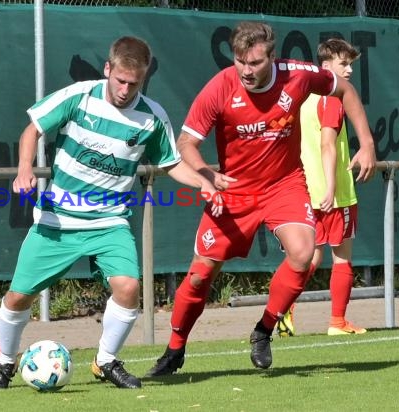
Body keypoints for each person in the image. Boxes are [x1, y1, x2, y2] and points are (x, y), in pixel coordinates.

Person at [0, 36, 221, 390]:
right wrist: (23, 168)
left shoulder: (152, 117)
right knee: (19, 296)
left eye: (134, 83)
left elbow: (170, 164)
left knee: (128, 287)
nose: (125, 90)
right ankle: (4, 363)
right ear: (107, 69)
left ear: (143, 79)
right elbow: (32, 130)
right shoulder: (79, 96)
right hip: (58, 219)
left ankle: (106, 360)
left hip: (110, 222)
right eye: (120, 80)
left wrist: (203, 182)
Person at [146, 21, 376, 375]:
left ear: (273, 57)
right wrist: (206, 176)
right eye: (240, 61)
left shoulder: (296, 75)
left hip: (284, 184)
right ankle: (175, 349)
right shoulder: (220, 87)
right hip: (233, 191)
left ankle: (264, 329)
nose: (246, 70)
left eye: (254, 63)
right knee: (198, 277)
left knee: (303, 253)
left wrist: (368, 144)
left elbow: (344, 90)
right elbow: (186, 144)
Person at [276, 39, 366, 338]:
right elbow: (327, 144)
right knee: (341, 257)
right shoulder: (332, 98)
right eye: (344, 64)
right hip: (332, 191)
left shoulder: (302, 96)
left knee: (307, 259)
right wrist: (330, 187)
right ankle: (338, 322)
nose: (350, 70)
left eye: (351, 63)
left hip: (302, 189)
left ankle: (281, 310)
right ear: (326, 67)